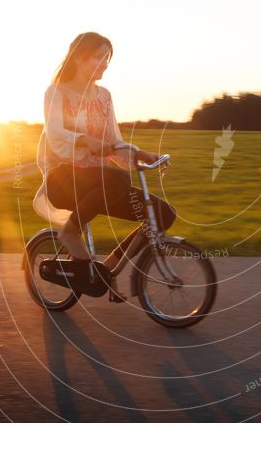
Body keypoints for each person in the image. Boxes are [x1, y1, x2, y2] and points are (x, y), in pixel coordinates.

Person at [31, 32, 177, 302]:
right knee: (118, 180)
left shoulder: (105, 96)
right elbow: (56, 136)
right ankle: (70, 231)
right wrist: (88, 142)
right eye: (98, 56)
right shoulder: (56, 93)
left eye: (107, 58)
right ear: (78, 57)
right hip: (64, 181)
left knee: (163, 213)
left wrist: (140, 155)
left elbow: (114, 143)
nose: (105, 63)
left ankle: (105, 271)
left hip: (101, 184)